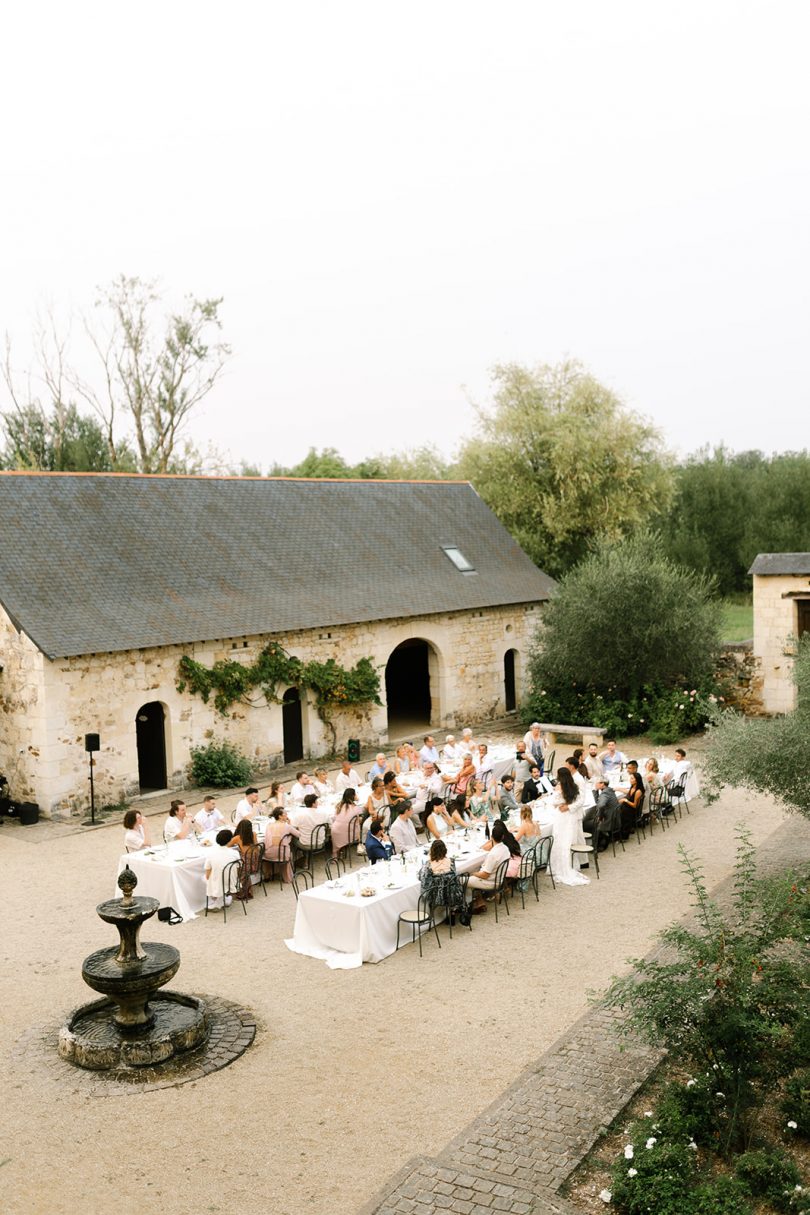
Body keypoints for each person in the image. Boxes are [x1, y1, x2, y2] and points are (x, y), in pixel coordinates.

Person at [548, 767, 589, 886]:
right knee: (568, 840)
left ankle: (558, 867)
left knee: (559, 840)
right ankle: (570, 864)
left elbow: (553, 802)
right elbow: (577, 801)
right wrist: (568, 805)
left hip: (561, 816)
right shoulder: (574, 786)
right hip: (570, 817)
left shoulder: (559, 786)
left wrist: (563, 804)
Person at [467, 820, 511, 911]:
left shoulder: (493, 854)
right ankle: (478, 899)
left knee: (463, 879)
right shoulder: (506, 849)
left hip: (490, 882)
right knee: (475, 872)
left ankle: (467, 906)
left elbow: (485, 875)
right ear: (503, 837)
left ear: (491, 837)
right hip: (499, 879)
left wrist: (473, 873)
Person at [419, 839, 464, 914]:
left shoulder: (429, 864)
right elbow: (454, 875)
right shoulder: (451, 861)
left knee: (427, 889)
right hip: (452, 893)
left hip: (437, 896)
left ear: (432, 851)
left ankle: (432, 916)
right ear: (445, 850)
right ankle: (452, 912)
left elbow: (424, 879)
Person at [584, 777, 622, 850]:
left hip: (608, 820)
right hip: (613, 818)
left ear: (602, 784)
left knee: (584, 824)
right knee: (592, 819)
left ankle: (598, 843)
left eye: (596, 783)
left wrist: (600, 816)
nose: (595, 785)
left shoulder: (605, 793)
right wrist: (595, 791)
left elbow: (601, 805)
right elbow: (598, 802)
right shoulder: (609, 790)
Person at [263, 808, 299, 883]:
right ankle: (287, 877)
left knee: (272, 849)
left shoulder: (269, 825)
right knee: (289, 852)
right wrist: (290, 825)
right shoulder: (287, 826)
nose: (287, 815)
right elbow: (298, 834)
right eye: (285, 814)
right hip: (282, 855)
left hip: (268, 855)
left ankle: (267, 875)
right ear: (280, 816)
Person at [205, 828, 236, 909]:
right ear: (230, 840)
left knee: (204, 878)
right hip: (232, 880)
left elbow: (207, 875)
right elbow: (238, 868)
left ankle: (218, 901)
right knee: (219, 876)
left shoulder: (211, 853)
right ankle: (223, 899)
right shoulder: (235, 853)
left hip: (220, 883)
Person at [228, 818, 258, 899]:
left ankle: (243, 893)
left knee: (235, 866)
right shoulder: (254, 834)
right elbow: (256, 846)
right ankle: (247, 890)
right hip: (255, 860)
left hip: (246, 862)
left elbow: (227, 845)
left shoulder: (238, 838)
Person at [617, 762, 645, 838]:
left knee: (618, 810)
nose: (630, 780)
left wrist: (625, 800)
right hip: (628, 807)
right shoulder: (632, 787)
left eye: (632, 779)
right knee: (617, 807)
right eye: (630, 778)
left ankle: (623, 832)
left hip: (633, 811)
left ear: (636, 780)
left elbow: (635, 805)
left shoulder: (638, 791)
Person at [330, 788, 358, 858]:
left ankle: (336, 853)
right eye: (355, 794)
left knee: (338, 827)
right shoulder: (354, 807)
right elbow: (356, 822)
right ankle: (341, 851)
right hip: (348, 834)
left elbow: (334, 817)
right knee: (354, 826)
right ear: (353, 796)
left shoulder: (339, 805)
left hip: (336, 831)